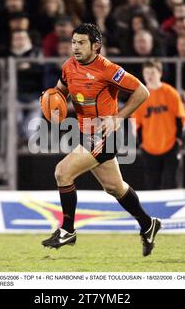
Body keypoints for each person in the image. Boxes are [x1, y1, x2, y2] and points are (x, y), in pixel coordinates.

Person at [41, 23, 161, 257]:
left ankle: (67, 230)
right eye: (73, 42)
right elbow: (59, 94)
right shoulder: (68, 67)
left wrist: (118, 117)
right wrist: (51, 104)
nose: (75, 47)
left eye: (81, 42)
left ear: (96, 46)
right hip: (87, 134)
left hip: (105, 135)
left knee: (62, 172)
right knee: (115, 188)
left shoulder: (108, 69)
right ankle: (148, 224)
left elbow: (142, 92)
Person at [132, 60, 185, 190]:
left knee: (171, 184)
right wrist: (141, 143)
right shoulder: (140, 96)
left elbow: (181, 118)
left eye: (152, 72)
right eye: (146, 73)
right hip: (149, 147)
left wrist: (179, 139)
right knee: (152, 185)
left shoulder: (170, 93)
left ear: (160, 73)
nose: (149, 76)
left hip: (170, 145)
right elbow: (136, 123)